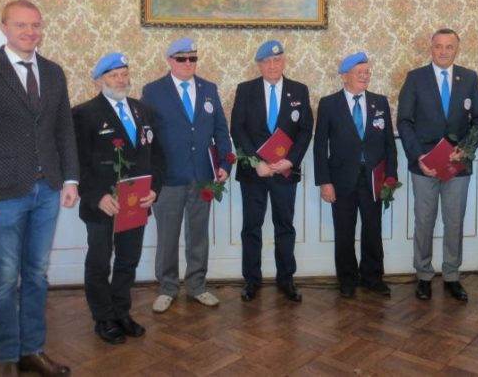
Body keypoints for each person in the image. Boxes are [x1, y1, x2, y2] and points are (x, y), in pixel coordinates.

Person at [0, 0, 78, 376]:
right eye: (21, 25)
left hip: (48, 190)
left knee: (37, 275)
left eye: (35, 25)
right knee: (5, 279)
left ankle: (32, 351)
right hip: (2, 194)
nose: (30, 32)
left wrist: (70, 179)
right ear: (4, 28)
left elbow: (63, 130)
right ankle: (8, 356)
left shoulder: (54, 73)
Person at [73, 53, 163, 344]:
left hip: (136, 202)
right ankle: (103, 317)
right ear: (99, 80)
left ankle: (121, 312)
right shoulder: (84, 114)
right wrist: (95, 196)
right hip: (103, 205)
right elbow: (76, 162)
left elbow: (157, 155)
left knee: (128, 259)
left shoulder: (143, 111)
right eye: (114, 75)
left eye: (124, 74)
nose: (121, 80)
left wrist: (155, 189)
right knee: (99, 262)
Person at [141, 38, 233, 313]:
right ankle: (167, 287)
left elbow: (220, 130)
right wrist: (148, 175)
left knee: (198, 235)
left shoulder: (208, 89)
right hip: (168, 178)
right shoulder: (153, 91)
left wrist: (225, 164)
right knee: (167, 237)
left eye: (193, 58)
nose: (188, 63)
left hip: (202, 176)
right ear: (170, 60)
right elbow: (146, 136)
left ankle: (197, 286)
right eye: (182, 58)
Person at [397, 28, 478, 302]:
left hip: (457, 165)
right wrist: (418, 156)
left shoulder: (469, 78)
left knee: (454, 221)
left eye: (449, 46)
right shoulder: (415, 78)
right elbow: (404, 121)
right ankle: (424, 275)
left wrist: (466, 149)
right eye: (438, 46)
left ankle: (451, 275)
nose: (443, 51)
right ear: (431, 48)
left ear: (456, 49)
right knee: (424, 221)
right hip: (425, 165)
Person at [230, 40, 313, 302]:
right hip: (255, 173)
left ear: (284, 62)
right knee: (251, 227)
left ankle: (286, 279)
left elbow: (305, 131)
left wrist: (291, 161)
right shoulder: (246, 90)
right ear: (259, 65)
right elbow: (237, 129)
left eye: (277, 60)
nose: (272, 65)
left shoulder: (299, 90)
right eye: (266, 61)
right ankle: (251, 280)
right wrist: (257, 162)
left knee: (285, 226)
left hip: (285, 171)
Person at [313, 52, 398, 298]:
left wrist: (390, 176)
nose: (365, 76)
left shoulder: (379, 102)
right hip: (341, 180)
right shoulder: (329, 104)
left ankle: (373, 277)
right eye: (359, 72)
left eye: (367, 72)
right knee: (344, 231)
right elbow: (320, 146)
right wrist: (324, 182)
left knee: (373, 230)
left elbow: (389, 144)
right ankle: (347, 279)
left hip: (373, 180)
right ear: (344, 77)